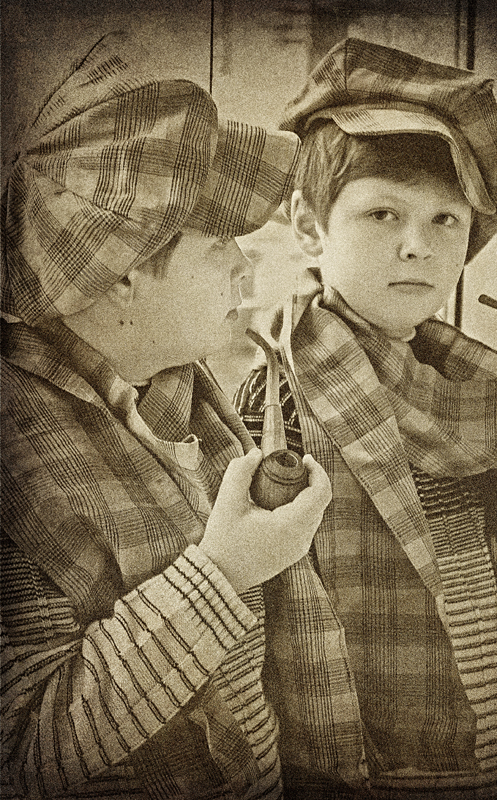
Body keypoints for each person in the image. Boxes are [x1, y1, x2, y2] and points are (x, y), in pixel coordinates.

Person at [235, 38, 497, 799]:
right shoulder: (276, 397)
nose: (418, 246)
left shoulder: (471, 383)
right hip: (356, 767)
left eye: (445, 219)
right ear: (309, 226)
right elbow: (249, 617)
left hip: (484, 747)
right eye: (382, 213)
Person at [1, 33, 332, 800]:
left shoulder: (189, 396)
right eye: (219, 244)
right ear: (123, 272)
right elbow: (24, 761)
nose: (246, 265)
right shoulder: (15, 454)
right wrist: (223, 571)